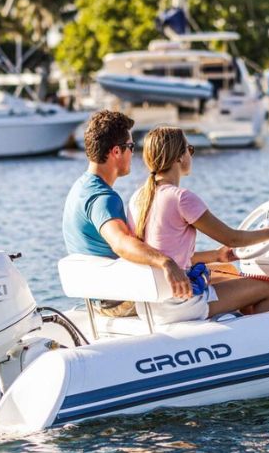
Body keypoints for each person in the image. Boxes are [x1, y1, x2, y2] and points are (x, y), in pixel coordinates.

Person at [128, 126, 269, 324]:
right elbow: (232, 238)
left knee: (230, 273)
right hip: (180, 304)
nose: (191, 155)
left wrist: (217, 256)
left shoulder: (138, 197)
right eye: (189, 149)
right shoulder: (181, 198)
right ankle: (253, 341)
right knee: (267, 288)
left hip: (151, 304)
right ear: (179, 157)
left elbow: (171, 255)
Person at [62, 110, 191, 316]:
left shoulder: (80, 187)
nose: (133, 153)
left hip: (99, 298)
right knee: (224, 279)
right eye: (131, 147)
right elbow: (120, 243)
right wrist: (165, 262)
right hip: (119, 301)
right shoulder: (103, 198)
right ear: (116, 152)